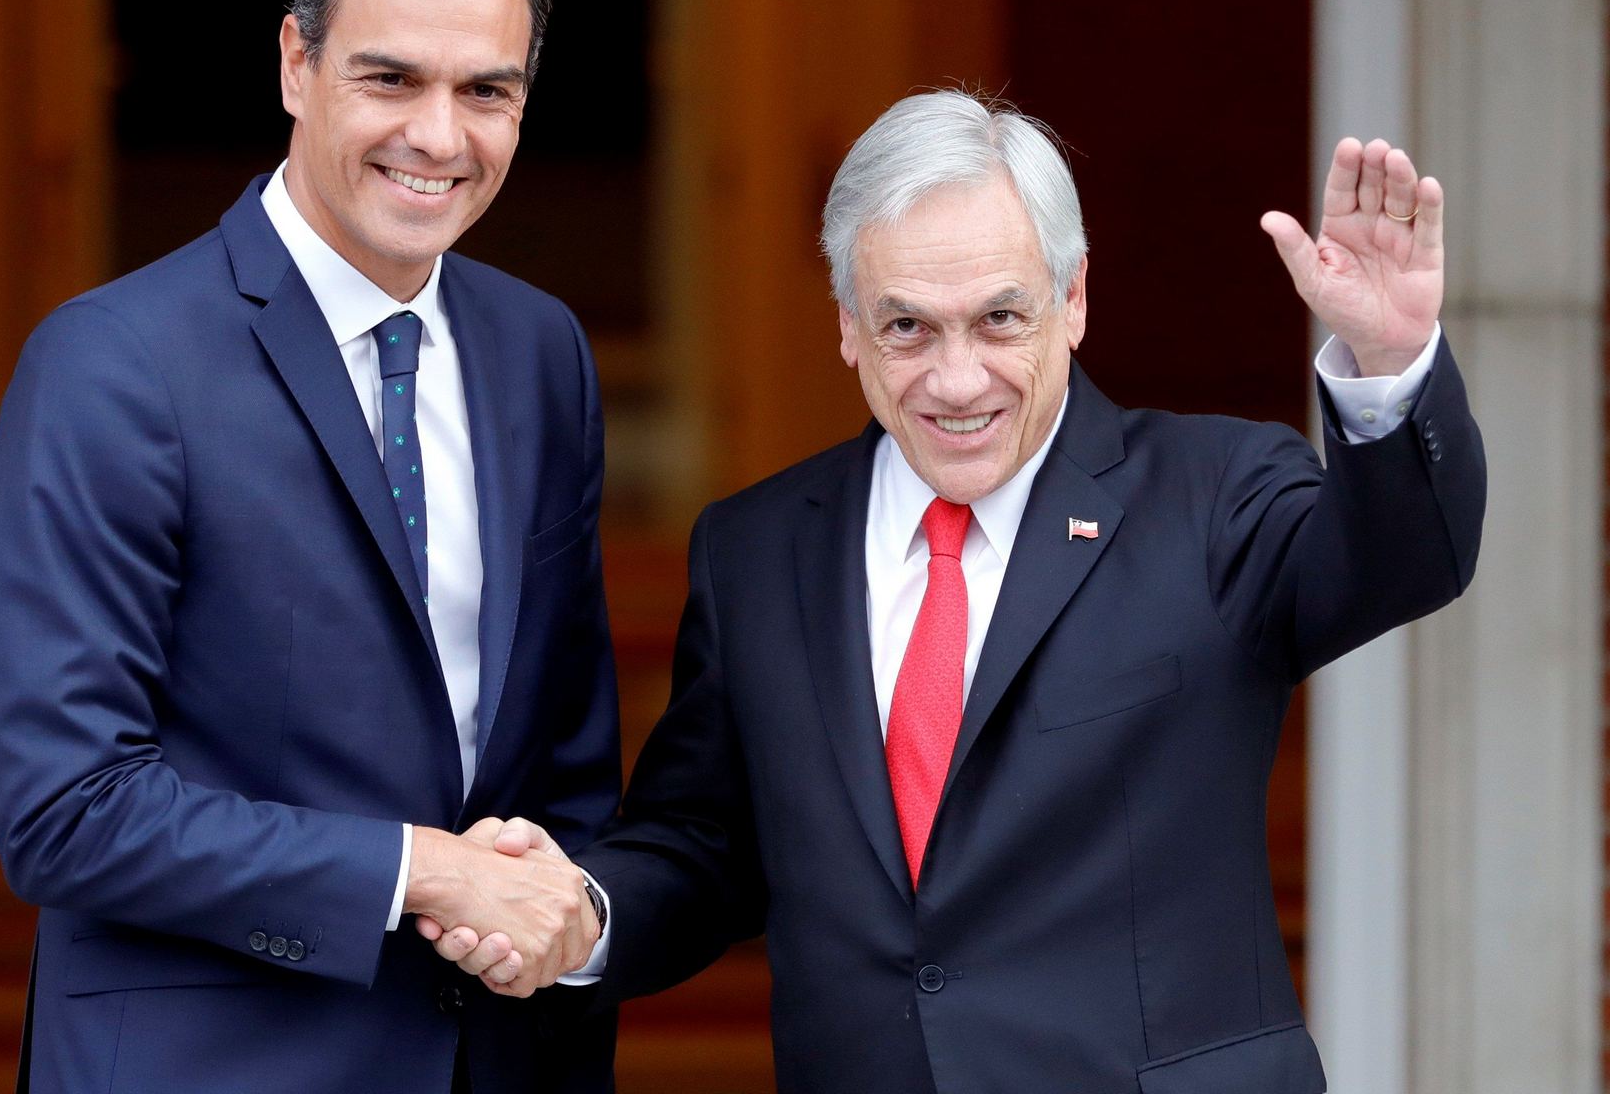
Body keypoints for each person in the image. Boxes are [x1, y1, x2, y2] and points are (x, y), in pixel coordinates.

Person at [429, 91, 1484, 1092]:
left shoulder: (1214, 498)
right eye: (908, 327)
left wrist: (1391, 365)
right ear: (848, 324)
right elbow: (704, 843)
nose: (957, 378)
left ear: (1073, 300)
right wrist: (580, 907)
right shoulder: (755, 551)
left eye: (999, 319)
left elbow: (1405, 560)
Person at [0, 0, 616, 1094]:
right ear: (294, 64)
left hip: (506, 1061)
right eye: (391, 78)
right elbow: (66, 804)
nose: (440, 136)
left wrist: (569, 910)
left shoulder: (543, 352)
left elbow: (565, 757)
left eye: (488, 90)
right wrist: (422, 869)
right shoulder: (113, 363)